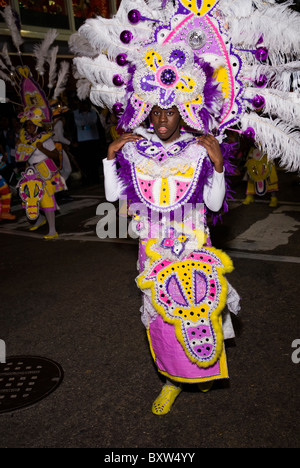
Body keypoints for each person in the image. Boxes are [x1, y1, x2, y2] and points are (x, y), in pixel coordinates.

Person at [103, 104, 240, 415]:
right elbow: (115, 198)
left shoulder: (200, 147)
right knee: (164, 319)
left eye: (170, 112)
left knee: (199, 309)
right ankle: (171, 381)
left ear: (184, 113)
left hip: (193, 246)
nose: (161, 120)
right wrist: (111, 155)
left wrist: (218, 164)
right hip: (153, 250)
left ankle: (202, 370)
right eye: (155, 113)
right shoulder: (136, 147)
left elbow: (214, 203)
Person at [16, 107, 65, 239]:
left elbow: (56, 156)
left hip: (45, 172)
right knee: (30, 199)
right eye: (27, 125)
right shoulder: (24, 139)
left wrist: (42, 149)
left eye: (31, 125)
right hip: (31, 173)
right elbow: (21, 157)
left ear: (37, 125)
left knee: (46, 200)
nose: (29, 127)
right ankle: (39, 220)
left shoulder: (45, 139)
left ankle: (52, 230)